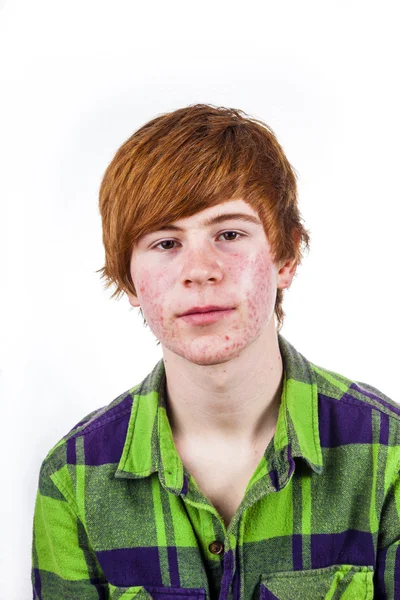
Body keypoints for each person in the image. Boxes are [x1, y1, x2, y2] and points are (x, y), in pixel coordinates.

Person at [31, 104, 400, 599]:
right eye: (165, 243)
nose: (200, 270)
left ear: (286, 256)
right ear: (129, 278)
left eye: (229, 234)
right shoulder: (73, 477)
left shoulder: (389, 455)